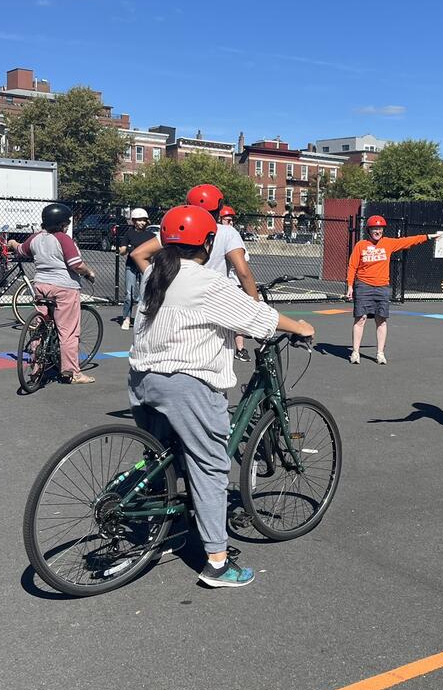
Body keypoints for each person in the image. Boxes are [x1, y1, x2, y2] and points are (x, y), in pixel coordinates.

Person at [129, 205, 315, 588]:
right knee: (211, 466)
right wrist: (299, 326)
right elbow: (257, 317)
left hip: (143, 378)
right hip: (187, 384)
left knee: (165, 458)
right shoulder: (208, 282)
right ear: (209, 242)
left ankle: (156, 530)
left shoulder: (154, 276)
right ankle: (216, 561)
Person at [8, 203, 98, 385]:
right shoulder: (63, 239)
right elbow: (76, 264)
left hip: (41, 286)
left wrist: (12, 243)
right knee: (68, 331)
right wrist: (89, 272)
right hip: (64, 288)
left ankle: (36, 366)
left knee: (40, 326)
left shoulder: (36, 238)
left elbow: (21, 250)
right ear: (62, 223)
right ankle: (72, 373)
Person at [129, 185, 258, 303]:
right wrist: (256, 306)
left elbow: (138, 254)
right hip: (215, 298)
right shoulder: (227, 232)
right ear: (218, 209)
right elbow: (243, 272)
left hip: (181, 296)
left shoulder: (178, 229)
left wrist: (155, 277)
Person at [345, 215, 440, 364]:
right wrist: (350, 285)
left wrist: (428, 236)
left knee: (381, 320)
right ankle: (355, 353)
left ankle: (380, 353)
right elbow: (352, 266)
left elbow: (408, 241)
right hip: (363, 286)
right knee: (361, 318)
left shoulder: (388, 243)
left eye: (380, 228)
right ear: (368, 230)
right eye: (375, 228)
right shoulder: (361, 245)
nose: (378, 231)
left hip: (382, 287)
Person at [218, 205, 252, 362]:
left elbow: (243, 265)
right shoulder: (221, 235)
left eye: (232, 221)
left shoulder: (231, 235)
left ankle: (239, 348)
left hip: (235, 284)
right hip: (226, 285)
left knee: (239, 317)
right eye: (228, 220)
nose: (231, 223)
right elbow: (243, 270)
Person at [117, 207, 154, 331]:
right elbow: (121, 251)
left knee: (144, 294)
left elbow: (156, 249)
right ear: (133, 221)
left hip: (145, 266)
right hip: (131, 265)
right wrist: (127, 248)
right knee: (129, 294)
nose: (142, 223)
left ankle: (142, 319)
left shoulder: (150, 235)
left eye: (144, 220)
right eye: (139, 220)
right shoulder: (129, 233)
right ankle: (126, 318)